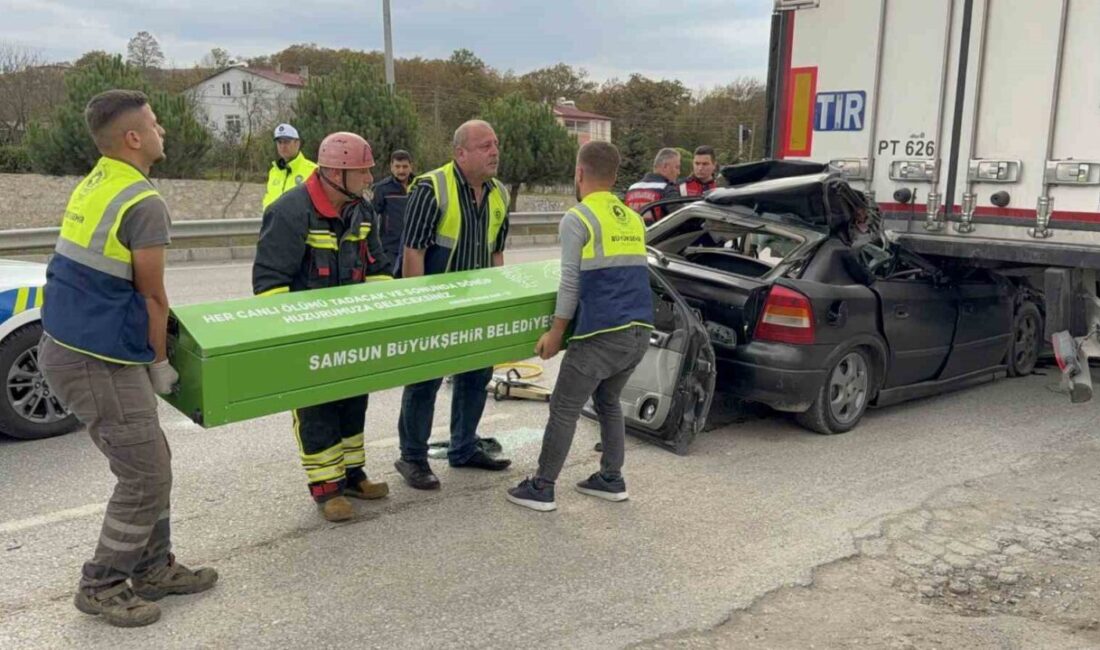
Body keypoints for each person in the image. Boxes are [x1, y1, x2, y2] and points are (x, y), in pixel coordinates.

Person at [37, 89, 218, 628]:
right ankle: (102, 583)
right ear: (134, 138)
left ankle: (153, 567)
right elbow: (152, 297)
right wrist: (160, 363)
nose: (164, 131)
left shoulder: (98, 180)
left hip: (75, 344)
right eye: (156, 124)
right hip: (94, 358)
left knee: (152, 460)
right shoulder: (143, 202)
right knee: (144, 474)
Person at [253, 131, 393, 522]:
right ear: (335, 172)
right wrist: (295, 337)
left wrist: (379, 315)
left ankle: (352, 476)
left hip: (351, 334)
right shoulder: (290, 212)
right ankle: (326, 489)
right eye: (362, 172)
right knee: (316, 411)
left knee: (353, 404)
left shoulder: (361, 212)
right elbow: (269, 284)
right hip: (308, 339)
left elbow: (378, 267)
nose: (369, 180)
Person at [506, 141, 654, 512]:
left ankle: (542, 486)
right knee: (608, 400)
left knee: (564, 405)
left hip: (601, 333)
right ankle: (610, 477)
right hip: (638, 331)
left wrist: (556, 332)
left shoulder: (579, 217)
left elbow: (570, 280)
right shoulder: (632, 217)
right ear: (616, 176)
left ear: (579, 173)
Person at [394, 119, 513, 490]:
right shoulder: (432, 188)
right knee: (424, 382)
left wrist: (498, 301)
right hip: (437, 306)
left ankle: (463, 447)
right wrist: (419, 308)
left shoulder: (499, 194)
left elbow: (496, 252)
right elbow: (413, 251)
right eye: (484, 146)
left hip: (477, 306)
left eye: (495, 144)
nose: (494, 151)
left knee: (476, 377)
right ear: (460, 153)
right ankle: (412, 457)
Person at [371, 149, 414, 270]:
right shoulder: (381, 189)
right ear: (391, 167)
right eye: (397, 166)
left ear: (411, 166)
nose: (401, 170)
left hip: (414, 247)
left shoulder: (419, 186)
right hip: (390, 248)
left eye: (405, 166)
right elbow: (370, 216)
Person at [261, 123, 318, 211]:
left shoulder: (313, 170)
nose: (283, 146)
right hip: (276, 223)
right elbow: (269, 197)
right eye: (279, 142)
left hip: (300, 223)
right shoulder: (274, 171)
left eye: (287, 141)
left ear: (297, 143)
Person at [624, 147, 681, 224]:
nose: (678, 172)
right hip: (659, 235)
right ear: (665, 167)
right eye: (677, 167)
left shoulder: (632, 189)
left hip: (635, 234)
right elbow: (681, 220)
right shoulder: (667, 189)